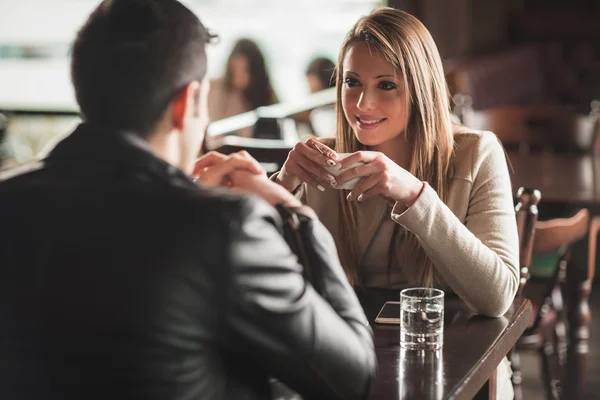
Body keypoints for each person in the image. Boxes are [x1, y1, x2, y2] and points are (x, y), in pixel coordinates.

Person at [0, 1, 375, 399]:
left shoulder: (8, 201)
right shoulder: (225, 228)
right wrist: (293, 212)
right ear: (188, 102)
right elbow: (355, 378)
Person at [274, 8, 519, 398]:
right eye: (352, 82)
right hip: (352, 363)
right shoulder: (323, 161)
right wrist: (283, 185)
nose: (363, 104)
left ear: (420, 89)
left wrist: (416, 197)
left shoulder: (475, 153)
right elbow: (258, 271)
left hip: (460, 368)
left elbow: (496, 296)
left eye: (386, 85)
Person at [208, 38, 278, 137]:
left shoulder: (265, 95)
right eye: (235, 70)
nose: (239, 77)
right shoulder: (214, 89)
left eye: (245, 70)